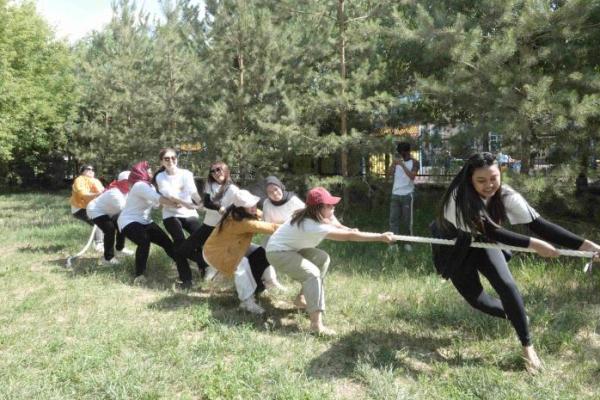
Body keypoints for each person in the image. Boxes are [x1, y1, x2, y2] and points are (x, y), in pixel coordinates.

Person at [430, 152, 600, 372]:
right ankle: (516, 314)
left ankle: (527, 345)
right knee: (478, 300)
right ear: (470, 179)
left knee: (507, 285)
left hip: (484, 243)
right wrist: (535, 245)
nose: (489, 185)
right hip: (454, 245)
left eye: (493, 178)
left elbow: (540, 225)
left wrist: (588, 246)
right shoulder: (458, 197)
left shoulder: (506, 195)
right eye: (481, 180)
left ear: (500, 173)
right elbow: (493, 231)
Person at [266, 187, 395, 335]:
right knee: (312, 274)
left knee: (322, 259)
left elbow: (338, 225)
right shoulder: (312, 225)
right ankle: (316, 326)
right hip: (277, 252)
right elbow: (348, 237)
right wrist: (380, 237)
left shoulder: (314, 214)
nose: (333, 207)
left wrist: (349, 229)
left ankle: (301, 299)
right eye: (329, 205)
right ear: (318, 209)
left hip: (291, 248)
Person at [203, 190, 281, 314]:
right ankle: (247, 302)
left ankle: (270, 281)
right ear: (241, 207)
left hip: (231, 247)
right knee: (242, 264)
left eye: (254, 204)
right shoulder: (241, 221)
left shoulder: (240, 213)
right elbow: (270, 228)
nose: (253, 207)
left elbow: (262, 215)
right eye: (249, 205)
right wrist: (293, 227)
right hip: (216, 253)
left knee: (261, 252)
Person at [117, 161, 195, 286]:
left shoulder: (150, 187)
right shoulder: (139, 185)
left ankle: (181, 265)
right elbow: (159, 199)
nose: (151, 171)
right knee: (144, 240)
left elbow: (158, 204)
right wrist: (182, 203)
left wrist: (173, 199)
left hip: (146, 221)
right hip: (129, 220)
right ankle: (139, 275)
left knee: (166, 242)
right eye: (148, 169)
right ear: (140, 171)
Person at [177, 161, 239, 282]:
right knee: (182, 250)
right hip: (207, 226)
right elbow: (207, 203)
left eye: (219, 169)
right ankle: (207, 266)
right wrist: (220, 208)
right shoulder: (210, 185)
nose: (216, 173)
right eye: (213, 171)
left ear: (226, 171)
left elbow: (238, 207)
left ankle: (215, 273)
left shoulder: (233, 189)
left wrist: (226, 211)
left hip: (222, 228)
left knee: (219, 252)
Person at [153, 148, 204, 288]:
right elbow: (168, 194)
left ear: (177, 158)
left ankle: (203, 270)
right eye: (167, 159)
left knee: (199, 238)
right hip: (171, 215)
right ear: (162, 161)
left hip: (189, 214)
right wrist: (184, 203)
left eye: (173, 157)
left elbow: (193, 191)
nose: (171, 161)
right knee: (179, 243)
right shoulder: (160, 177)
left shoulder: (186, 173)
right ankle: (186, 280)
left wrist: (200, 203)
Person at [86, 171, 134, 265]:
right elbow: (124, 208)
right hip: (95, 210)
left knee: (121, 224)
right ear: (122, 182)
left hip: (109, 211)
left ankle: (120, 249)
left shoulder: (127, 191)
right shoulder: (114, 192)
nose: (132, 183)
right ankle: (108, 258)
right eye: (130, 181)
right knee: (110, 229)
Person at [388, 142, 419, 251]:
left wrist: (402, 165)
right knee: (393, 220)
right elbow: (388, 173)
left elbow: (412, 176)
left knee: (407, 221)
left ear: (407, 152)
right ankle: (393, 244)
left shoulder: (415, 162)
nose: (401, 155)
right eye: (400, 153)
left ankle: (408, 243)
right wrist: (393, 164)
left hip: (407, 195)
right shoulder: (397, 162)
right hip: (395, 195)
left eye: (403, 153)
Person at [70, 164, 105, 251]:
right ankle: (99, 244)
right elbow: (84, 195)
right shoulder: (79, 180)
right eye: (88, 169)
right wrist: (99, 194)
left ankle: (101, 244)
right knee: (99, 221)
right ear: (82, 171)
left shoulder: (95, 181)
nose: (91, 170)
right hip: (80, 208)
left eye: (93, 169)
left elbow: (103, 193)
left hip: (91, 208)